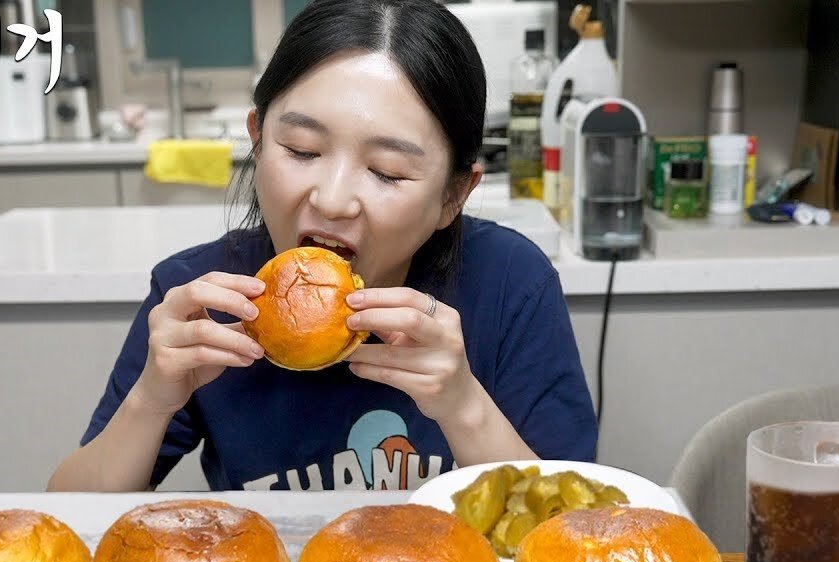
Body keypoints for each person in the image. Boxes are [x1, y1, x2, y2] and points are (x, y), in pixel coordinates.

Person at [48, 0, 596, 493]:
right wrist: (150, 401)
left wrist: (464, 407)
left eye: (387, 171)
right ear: (258, 141)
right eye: (302, 150)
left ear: (454, 195)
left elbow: (570, 532)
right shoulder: (200, 298)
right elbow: (66, 515)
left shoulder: (509, 284)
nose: (333, 200)